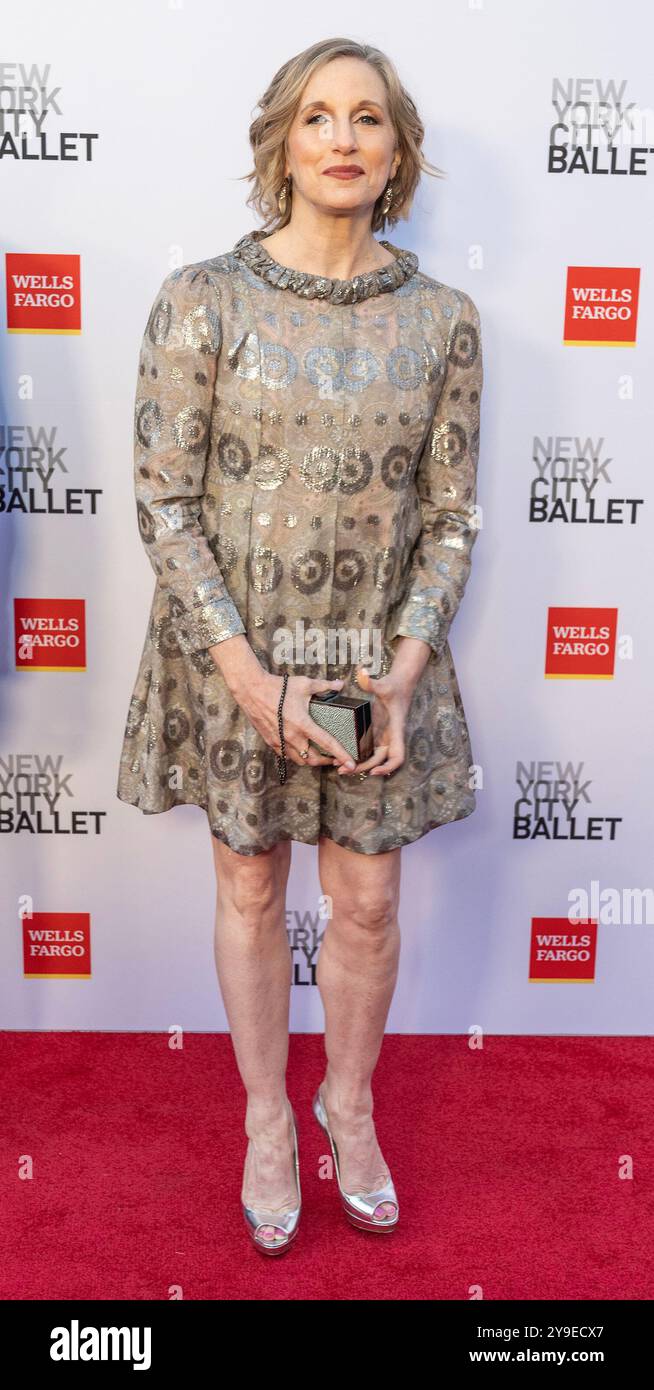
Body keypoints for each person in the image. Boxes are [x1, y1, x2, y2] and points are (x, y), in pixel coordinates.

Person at [117, 35, 484, 1255]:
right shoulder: (202, 301)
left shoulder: (445, 319)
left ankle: (352, 1107)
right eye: (318, 116)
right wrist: (247, 674)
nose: (342, 137)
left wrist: (404, 668)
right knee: (251, 884)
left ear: (397, 150)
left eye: (367, 118)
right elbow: (164, 503)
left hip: (378, 662)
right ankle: (269, 1122)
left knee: (369, 904)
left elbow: (450, 516)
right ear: (281, 140)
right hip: (239, 660)